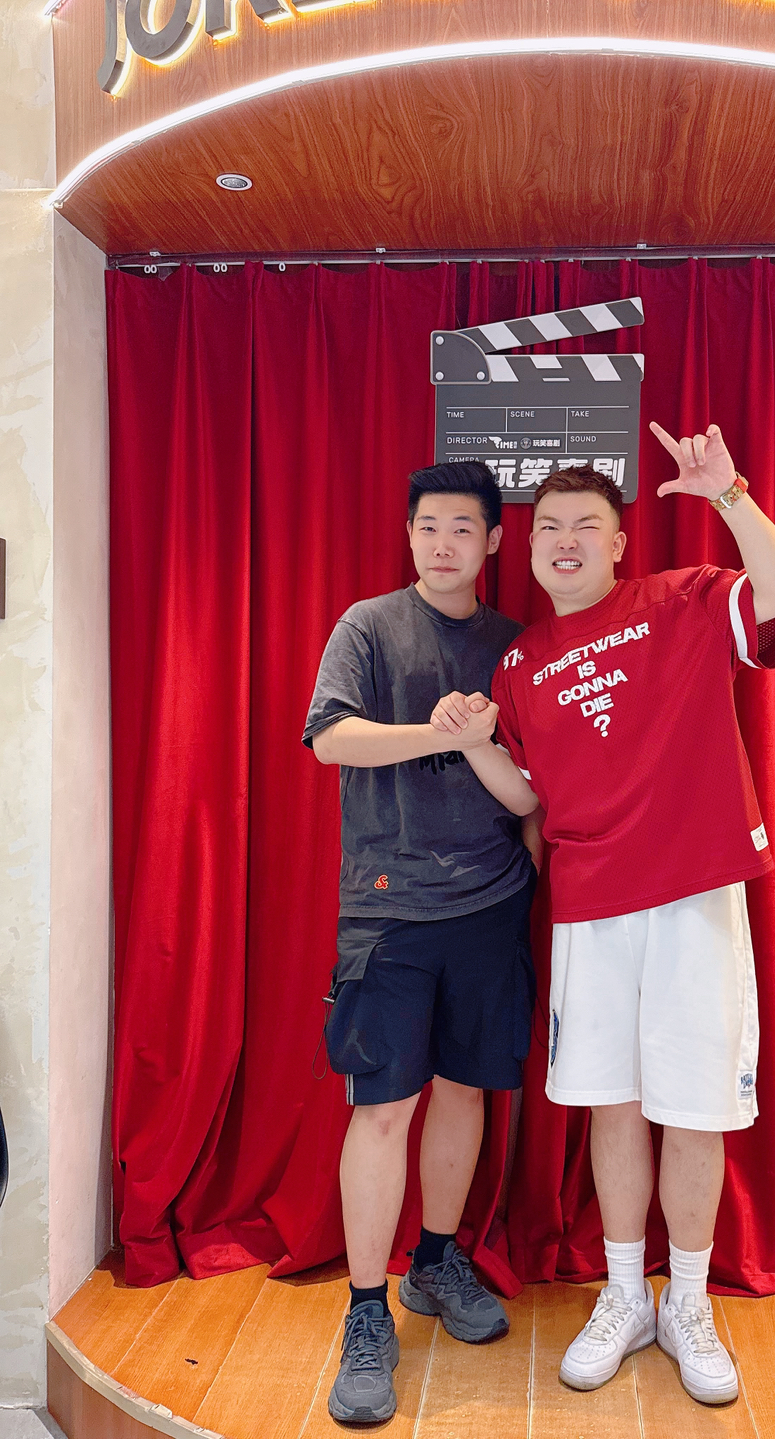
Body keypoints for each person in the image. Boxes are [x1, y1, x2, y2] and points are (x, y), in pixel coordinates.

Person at [429, 423, 775, 1407]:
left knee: (695, 1105)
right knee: (613, 1103)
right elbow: (527, 795)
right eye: (549, 525)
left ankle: (689, 1301)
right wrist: (473, 743)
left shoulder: (682, 598)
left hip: (693, 894)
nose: (565, 540)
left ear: (617, 542)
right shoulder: (521, 662)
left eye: (585, 525)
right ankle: (627, 1293)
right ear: (530, 545)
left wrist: (728, 495)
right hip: (591, 910)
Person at [303, 461, 537, 1427]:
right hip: (388, 909)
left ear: (492, 542)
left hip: (491, 904)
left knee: (465, 1090)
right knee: (382, 1108)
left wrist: (481, 740)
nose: (443, 543)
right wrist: (436, 730)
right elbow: (330, 739)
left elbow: (533, 788)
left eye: (462, 528)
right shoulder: (366, 625)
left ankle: (435, 1262)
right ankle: (366, 1312)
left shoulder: (516, 645)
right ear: (408, 534)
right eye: (428, 526)